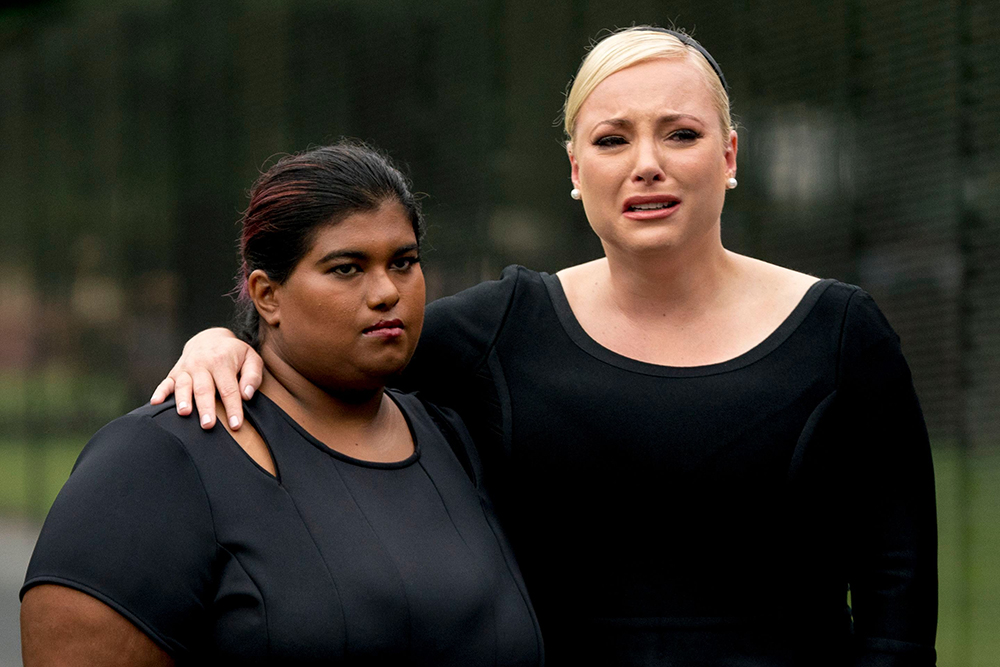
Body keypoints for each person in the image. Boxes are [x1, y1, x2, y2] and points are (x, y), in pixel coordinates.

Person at [149, 27, 938, 666]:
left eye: (681, 134)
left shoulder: (841, 334)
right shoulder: (498, 330)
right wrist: (223, 339)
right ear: (574, 168)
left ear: (729, 156)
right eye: (612, 139)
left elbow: (897, 602)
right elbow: (328, 358)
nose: (647, 166)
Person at [20, 143, 543, 666]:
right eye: (346, 268)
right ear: (267, 295)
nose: (387, 291)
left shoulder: (457, 439)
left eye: (403, 262)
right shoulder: (159, 458)